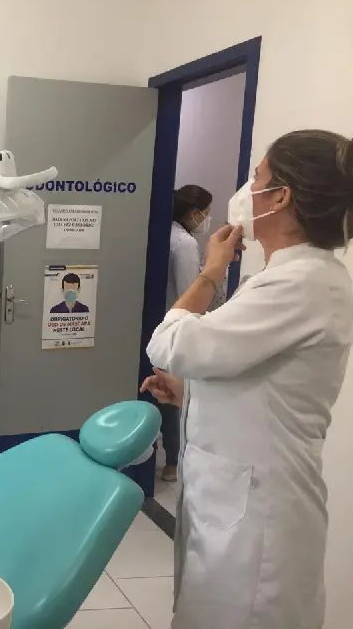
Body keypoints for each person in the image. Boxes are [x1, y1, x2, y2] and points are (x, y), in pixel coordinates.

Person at [141, 129, 353, 629]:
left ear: (281, 197)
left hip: (260, 519)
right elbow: (262, 378)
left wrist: (210, 272)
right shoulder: (281, 279)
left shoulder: (302, 283)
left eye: (257, 177)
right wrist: (191, 393)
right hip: (236, 500)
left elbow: (169, 343)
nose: (248, 189)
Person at [160, 185, 213, 483]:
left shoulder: (164, 233)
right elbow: (189, 294)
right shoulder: (184, 243)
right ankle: (172, 462)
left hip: (158, 326)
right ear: (194, 213)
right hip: (175, 327)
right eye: (206, 213)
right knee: (171, 396)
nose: (207, 219)